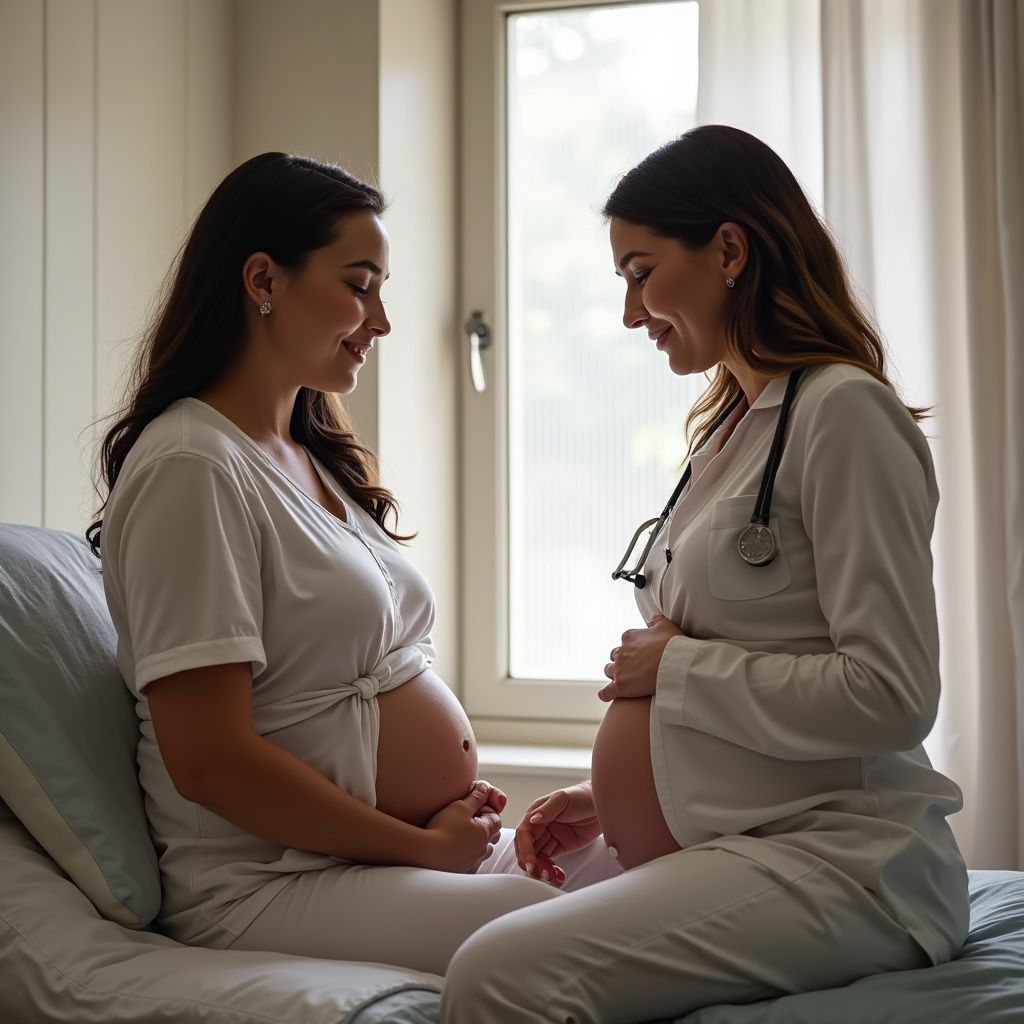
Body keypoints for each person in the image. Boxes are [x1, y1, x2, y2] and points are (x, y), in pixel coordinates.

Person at [441, 125, 970, 1023]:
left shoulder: (844, 414)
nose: (629, 312)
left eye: (641, 272)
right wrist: (605, 799)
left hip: (843, 861)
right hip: (742, 838)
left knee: (499, 974)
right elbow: (761, 654)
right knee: (482, 924)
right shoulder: (736, 427)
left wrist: (674, 671)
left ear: (729, 249)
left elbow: (890, 694)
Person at [91, 152, 616, 975]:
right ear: (263, 278)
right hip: (270, 883)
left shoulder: (305, 454)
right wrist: (418, 843)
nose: (382, 320)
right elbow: (209, 760)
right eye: (360, 284)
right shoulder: (191, 467)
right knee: (539, 929)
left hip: (385, 858)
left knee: (641, 869)